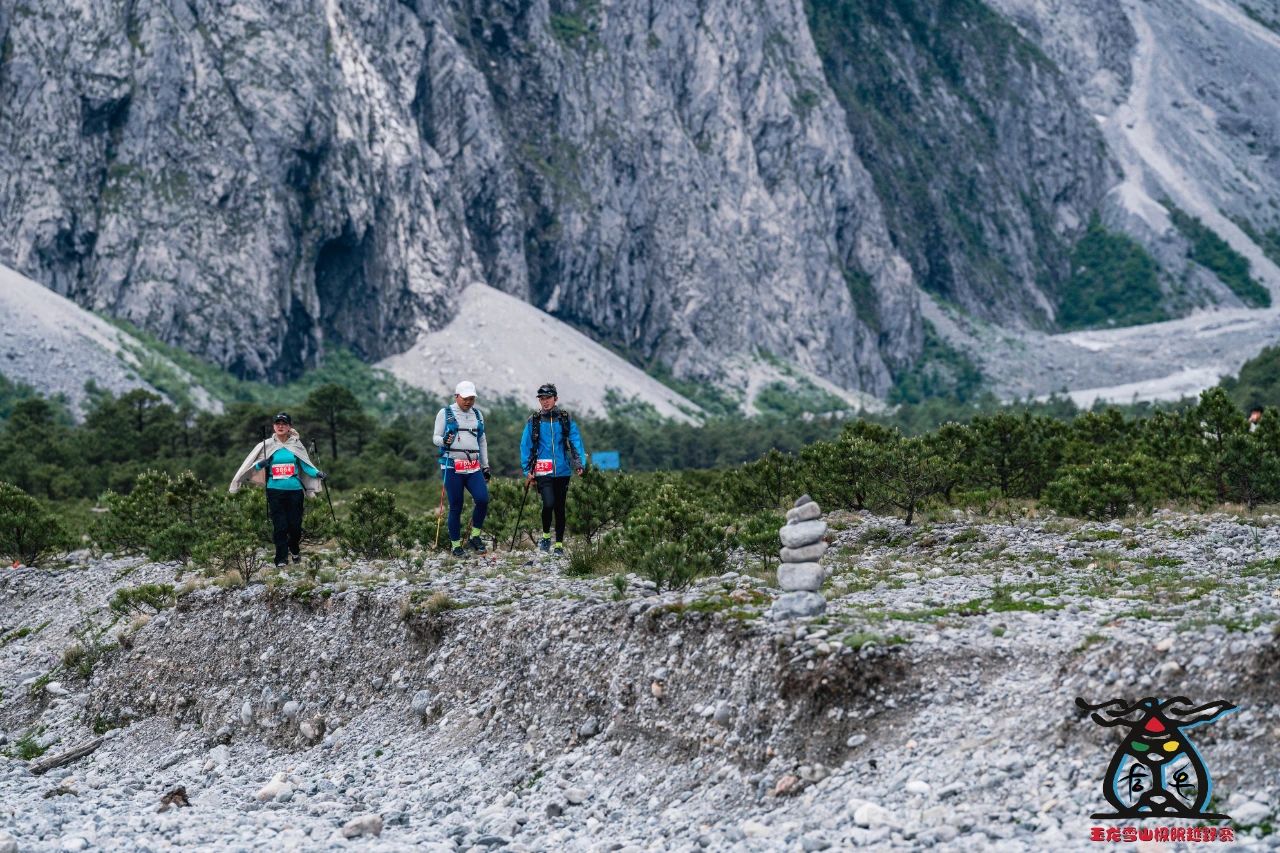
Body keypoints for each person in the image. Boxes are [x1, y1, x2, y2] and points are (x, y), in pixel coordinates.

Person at [229, 412, 325, 567]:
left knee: (295, 526)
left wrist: (318, 473)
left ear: (289, 427)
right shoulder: (266, 445)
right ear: (274, 426)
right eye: (277, 423)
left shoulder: (296, 445)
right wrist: (262, 464)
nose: (280, 426)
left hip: (294, 491)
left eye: (284, 423)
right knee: (280, 526)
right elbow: (254, 465)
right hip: (274, 490)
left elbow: (306, 465)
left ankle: (294, 548)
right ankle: (280, 559)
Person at [519, 383, 586, 555]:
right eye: (542, 399)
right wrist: (527, 469)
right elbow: (525, 445)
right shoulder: (533, 420)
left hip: (563, 470)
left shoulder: (564, 418)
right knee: (548, 503)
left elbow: (575, 441)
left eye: (548, 398)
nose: (545, 401)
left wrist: (579, 464)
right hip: (543, 470)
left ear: (555, 398)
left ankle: (559, 545)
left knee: (560, 507)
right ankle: (546, 536)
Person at [433, 380, 490, 557]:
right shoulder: (445, 413)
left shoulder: (478, 414)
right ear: (456, 396)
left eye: (472, 398)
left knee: (482, 499)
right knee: (456, 505)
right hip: (452, 465)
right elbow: (435, 437)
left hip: (473, 466)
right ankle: (456, 546)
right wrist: (444, 441)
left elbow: (482, 441)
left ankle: (474, 537)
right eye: (465, 398)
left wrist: (485, 465)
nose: (468, 402)